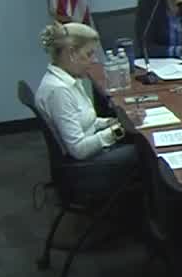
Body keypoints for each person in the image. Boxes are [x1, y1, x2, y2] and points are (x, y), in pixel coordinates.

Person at [35, 21, 138, 193]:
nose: (93, 61)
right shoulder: (59, 91)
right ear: (71, 53)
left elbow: (85, 121)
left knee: (137, 139)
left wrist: (113, 122)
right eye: (89, 54)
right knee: (144, 152)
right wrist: (120, 129)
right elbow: (79, 149)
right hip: (83, 165)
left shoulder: (69, 79)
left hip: (89, 151)